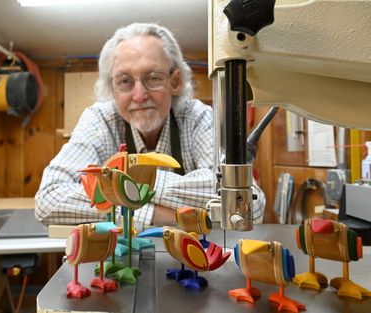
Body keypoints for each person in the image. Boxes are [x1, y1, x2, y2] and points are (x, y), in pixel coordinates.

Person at [35, 22, 265, 227]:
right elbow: (49, 198)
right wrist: (157, 213)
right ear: (112, 88)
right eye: (124, 81)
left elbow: (248, 205)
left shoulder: (197, 117)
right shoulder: (100, 120)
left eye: (153, 77)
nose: (139, 95)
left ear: (174, 82)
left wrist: (121, 189)